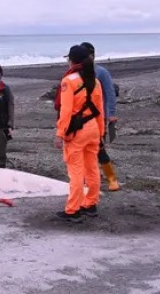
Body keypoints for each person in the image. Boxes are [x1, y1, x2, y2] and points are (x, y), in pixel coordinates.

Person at [54, 45, 105, 223]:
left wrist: (60, 133)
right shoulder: (95, 81)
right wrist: (101, 132)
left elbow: (66, 110)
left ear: (72, 61)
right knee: (92, 168)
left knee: (76, 171)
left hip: (77, 132)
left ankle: (73, 210)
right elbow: (99, 110)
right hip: (93, 129)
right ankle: (91, 204)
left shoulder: (69, 81)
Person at [81, 42, 121, 191]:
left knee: (99, 148)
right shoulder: (77, 73)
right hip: (80, 118)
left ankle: (112, 179)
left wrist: (111, 114)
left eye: (85, 55)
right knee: (82, 150)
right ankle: (85, 181)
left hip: (98, 118)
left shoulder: (101, 72)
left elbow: (110, 93)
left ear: (92, 56)